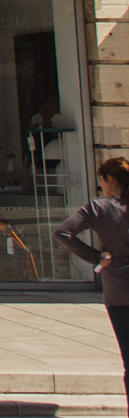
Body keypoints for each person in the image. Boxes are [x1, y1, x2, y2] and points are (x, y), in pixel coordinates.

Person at [56, 156, 129, 404]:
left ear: (109, 179)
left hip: (119, 292)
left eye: (101, 182)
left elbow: (63, 232)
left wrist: (97, 256)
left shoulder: (98, 207)